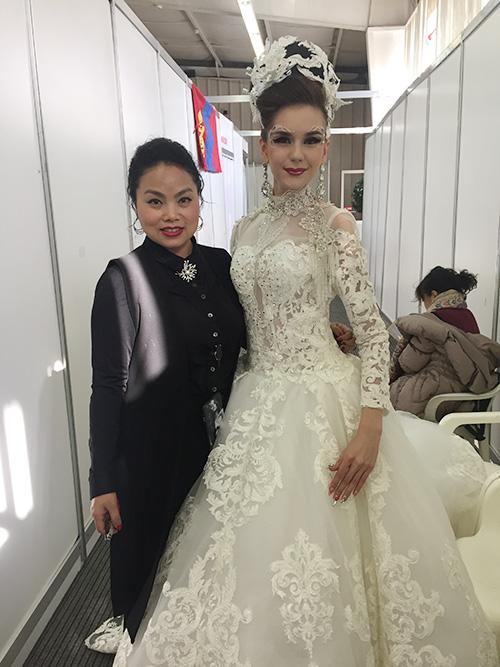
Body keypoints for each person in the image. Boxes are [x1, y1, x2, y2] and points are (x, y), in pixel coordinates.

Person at [113, 38, 498, 666]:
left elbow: (372, 332)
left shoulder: (336, 224)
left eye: (312, 140)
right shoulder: (243, 229)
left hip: (325, 403)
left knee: (332, 562)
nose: (298, 154)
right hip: (256, 399)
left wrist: (371, 425)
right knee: (247, 557)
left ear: (326, 144)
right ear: (263, 145)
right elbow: (245, 321)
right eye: (284, 139)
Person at [87, 137, 354, 653]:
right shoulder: (122, 279)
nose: (171, 214)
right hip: (154, 455)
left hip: (223, 442)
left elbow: (253, 332)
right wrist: (103, 481)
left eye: (183, 199)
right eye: (154, 201)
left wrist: (321, 330)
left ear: (199, 201)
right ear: (135, 204)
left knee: (215, 573)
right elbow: (107, 387)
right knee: (152, 571)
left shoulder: (219, 263)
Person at [390, 266, 500, 418]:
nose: (425, 306)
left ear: (434, 295)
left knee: (385, 398)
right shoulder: (469, 316)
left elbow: (409, 363)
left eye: (424, 300)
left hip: (435, 396)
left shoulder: (431, 325)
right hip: (466, 394)